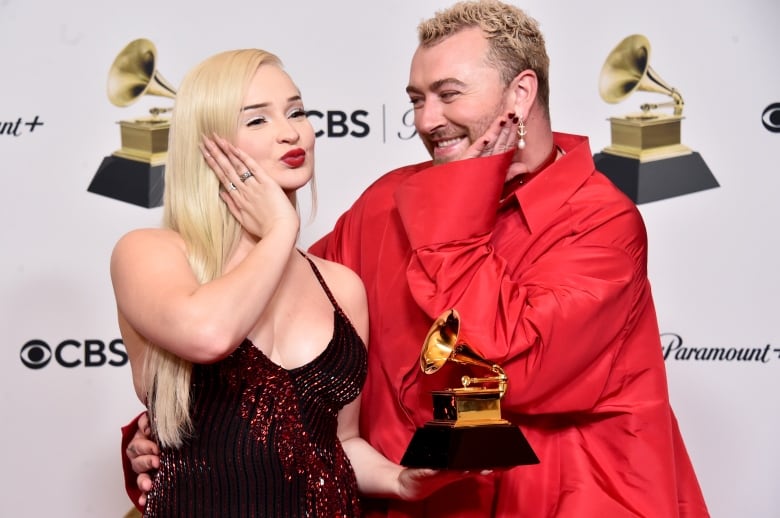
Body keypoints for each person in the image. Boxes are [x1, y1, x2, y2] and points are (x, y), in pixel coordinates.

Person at [125, 1, 710, 516]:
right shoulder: (390, 201)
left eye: (449, 95)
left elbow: (511, 369)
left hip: (564, 500)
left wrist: (457, 209)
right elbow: (274, 322)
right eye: (417, 100)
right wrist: (174, 433)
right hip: (418, 502)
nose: (426, 122)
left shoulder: (601, 222)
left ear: (521, 94)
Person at [112, 47, 498, 517]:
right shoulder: (151, 253)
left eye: (296, 111)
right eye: (257, 121)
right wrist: (279, 230)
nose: (290, 132)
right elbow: (208, 334)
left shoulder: (341, 287)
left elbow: (338, 442)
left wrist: (400, 481)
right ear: (206, 144)